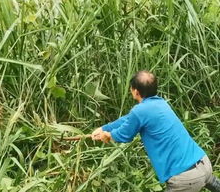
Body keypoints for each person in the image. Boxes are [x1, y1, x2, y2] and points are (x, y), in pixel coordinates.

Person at [91, 70, 220, 192]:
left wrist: (108, 135)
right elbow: (129, 119)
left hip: (185, 177)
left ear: (135, 91)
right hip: (203, 164)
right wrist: (104, 128)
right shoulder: (161, 103)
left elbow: (124, 135)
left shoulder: (140, 111)